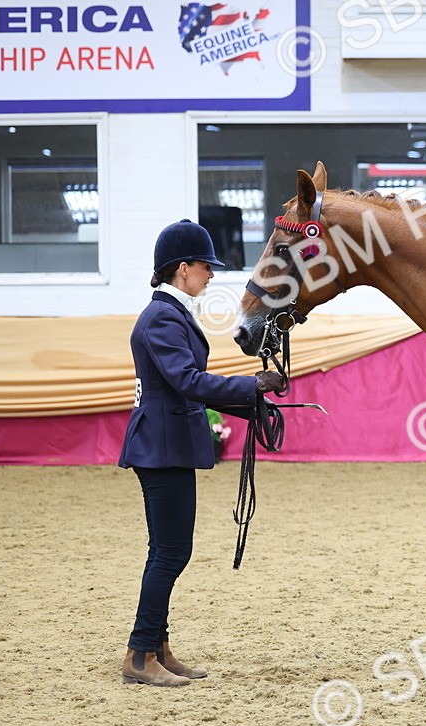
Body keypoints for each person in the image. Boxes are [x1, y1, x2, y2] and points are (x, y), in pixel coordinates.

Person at [118, 219, 285, 687]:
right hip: (160, 448)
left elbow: (191, 387)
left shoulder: (171, 315)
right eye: (205, 268)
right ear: (182, 268)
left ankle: (157, 646)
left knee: (171, 550)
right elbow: (188, 382)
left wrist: (251, 404)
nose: (210, 276)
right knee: (169, 553)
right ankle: (138, 654)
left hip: (167, 445)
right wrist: (251, 383)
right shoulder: (162, 319)